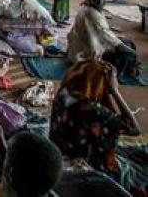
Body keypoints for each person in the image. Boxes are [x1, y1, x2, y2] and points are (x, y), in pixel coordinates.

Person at [50, 59, 145, 192]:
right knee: (140, 166)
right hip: (89, 167)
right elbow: (135, 129)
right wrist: (114, 91)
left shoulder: (63, 93)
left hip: (60, 153)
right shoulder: (93, 111)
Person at [67, 0, 139, 79]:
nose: (100, 1)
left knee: (128, 44)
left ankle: (128, 67)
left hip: (78, 50)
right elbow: (106, 34)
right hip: (86, 55)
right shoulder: (92, 13)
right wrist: (122, 46)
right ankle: (118, 73)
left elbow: (104, 33)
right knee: (128, 52)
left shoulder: (86, 8)